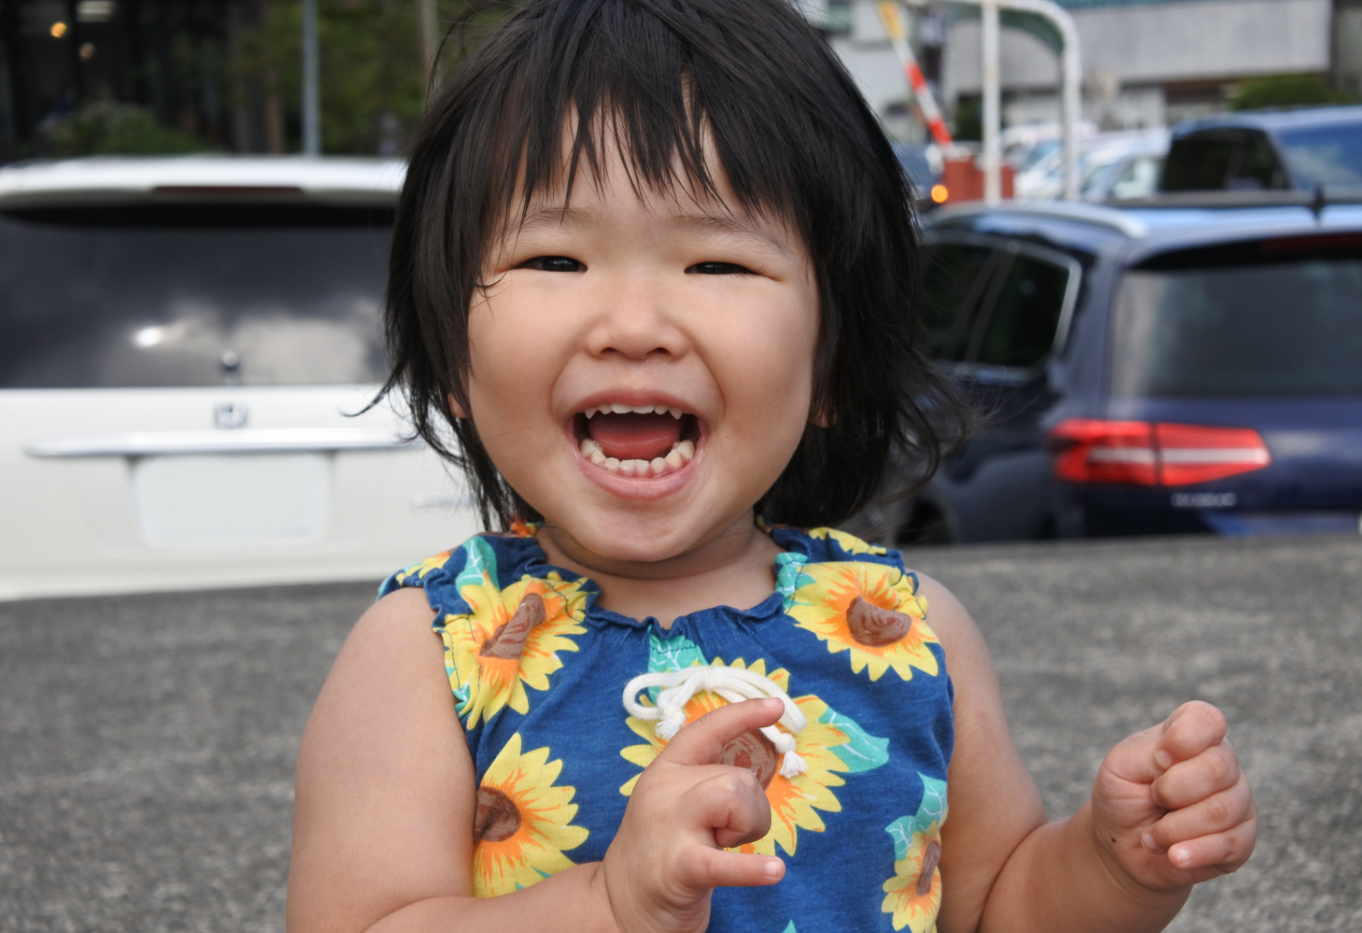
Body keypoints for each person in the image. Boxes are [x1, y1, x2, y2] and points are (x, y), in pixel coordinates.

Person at [286, 0, 1256, 930]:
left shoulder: (905, 634)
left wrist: (1106, 865)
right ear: (452, 357)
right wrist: (604, 909)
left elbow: (992, 907)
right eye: (554, 260)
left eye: (715, 265)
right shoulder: (427, 653)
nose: (632, 327)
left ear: (829, 364)